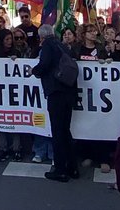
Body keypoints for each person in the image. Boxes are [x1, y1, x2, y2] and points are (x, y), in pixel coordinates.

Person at [30, 24, 78, 182]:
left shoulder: (48, 46)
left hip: (56, 92)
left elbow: (44, 65)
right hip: (68, 91)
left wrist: (33, 71)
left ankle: (60, 170)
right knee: (65, 130)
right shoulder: (61, 45)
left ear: (42, 36)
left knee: (57, 132)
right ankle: (72, 167)